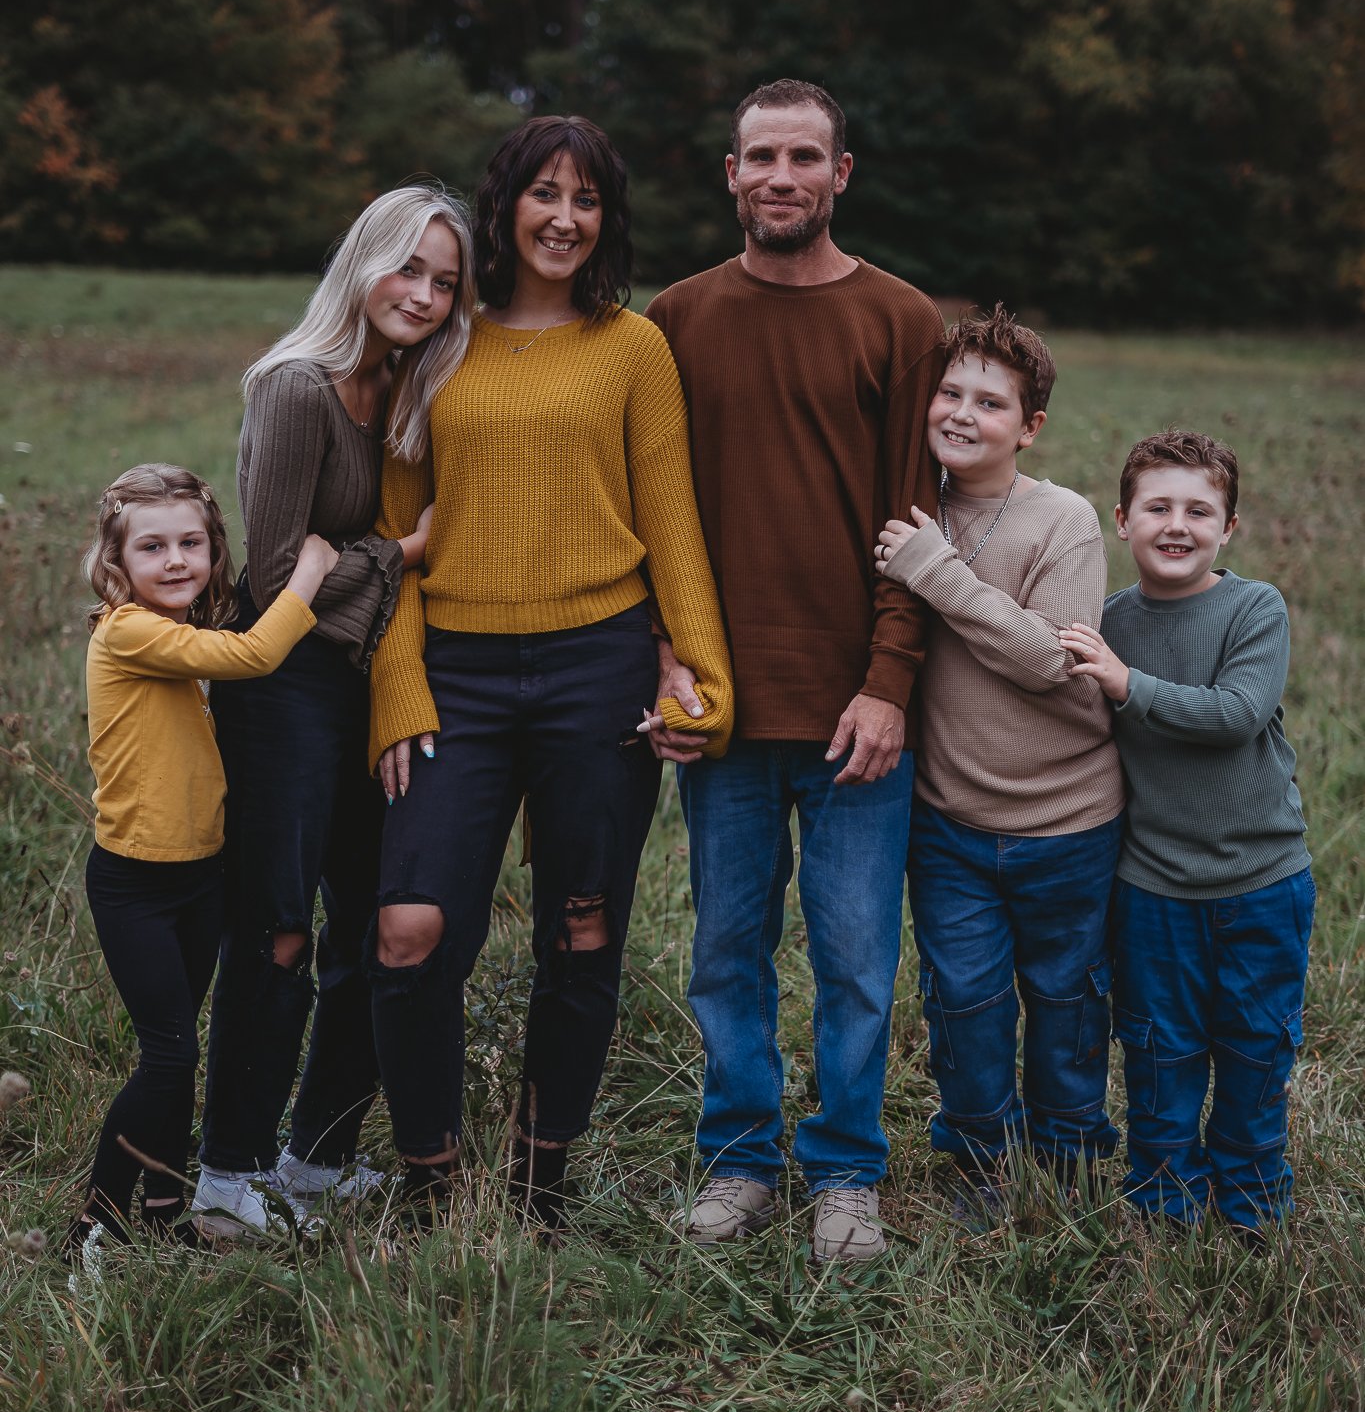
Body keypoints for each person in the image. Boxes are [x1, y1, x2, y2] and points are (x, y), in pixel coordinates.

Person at [368, 116, 733, 1231]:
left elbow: (671, 522)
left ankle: (539, 1182)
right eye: (544, 194)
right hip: (456, 677)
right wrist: (397, 686)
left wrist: (703, 681)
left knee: (582, 929)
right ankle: (430, 1178)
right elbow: (392, 534)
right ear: (505, 206)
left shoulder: (632, 348)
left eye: (587, 199)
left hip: (599, 668)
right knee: (410, 926)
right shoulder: (438, 341)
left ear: (605, 219)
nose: (564, 217)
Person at [644, 78, 944, 1262]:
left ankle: (847, 1175)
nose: (780, 175)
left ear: (841, 173)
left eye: (803, 156)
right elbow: (645, 510)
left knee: (858, 956)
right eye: (759, 155)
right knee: (726, 946)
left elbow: (919, 522)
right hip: (717, 702)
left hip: (855, 705)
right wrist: (659, 658)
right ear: (730, 174)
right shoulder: (674, 318)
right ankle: (739, 1161)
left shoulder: (902, 320)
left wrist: (890, 681)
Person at [191, 186, 476, 1239]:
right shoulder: (296, 387)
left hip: (364, 680)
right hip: (282, 690)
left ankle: (314, 1154)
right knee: (275, 929)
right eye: (408, 268)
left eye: (445, 281)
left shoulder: (401, 391)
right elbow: (272, 578)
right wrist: (400, 553)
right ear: (363, 262)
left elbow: (327, 568)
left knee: (369, 917)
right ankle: (226, 1170)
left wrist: (354, 568)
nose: (425, 294)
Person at [874, 305, 1124, 1221]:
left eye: (990, 401)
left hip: (1068, 822)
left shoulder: (1060, 520)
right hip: (949, 822)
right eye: (950, 391)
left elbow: (1045, 657)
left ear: (1029, 426)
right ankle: (981, 1161)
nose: (962, 412)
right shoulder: (910, 507)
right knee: (965, 1006)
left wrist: (935, 573)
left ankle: (1068, 1156)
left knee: (1064, 1000)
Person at [71, 464, 336, 1271]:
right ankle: (98, 1222)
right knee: (169, 1055)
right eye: (152, 547)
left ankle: (161, 1209)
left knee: (178, 1045)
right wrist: (314, 570)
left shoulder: (175, 632)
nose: (176, 559)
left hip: (197, 877)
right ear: (117, 563)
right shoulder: (127, 631)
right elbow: (256, 654)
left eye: (192, 542)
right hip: (136, 886)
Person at [1061, 431, 1313, 1239]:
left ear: (1228, 527)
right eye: (1157, 507)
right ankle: (1163, 1203)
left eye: (1199, 510)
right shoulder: (1107, 625)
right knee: (1158, 1051)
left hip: (1261, 882)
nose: (1177, 525)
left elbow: (1234, 716)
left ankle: (1249, 1202)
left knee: (1253, 1049)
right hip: (1154, 889)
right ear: (1121, 521)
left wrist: (1124, 682)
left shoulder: (1252, 608)